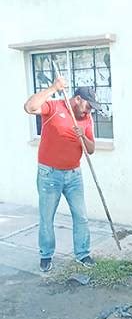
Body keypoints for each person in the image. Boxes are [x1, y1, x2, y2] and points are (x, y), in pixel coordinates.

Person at [24, 77, 101, 272]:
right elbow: (29, 107)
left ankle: (82, 254)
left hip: (74, 175)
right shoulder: (54, 107)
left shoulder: (86, 119)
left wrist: (82, 136)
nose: (89, 110)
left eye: (92, 107)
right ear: (77, 99)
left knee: (81, 216)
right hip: (49, 174)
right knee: (47, 216)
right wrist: (53, 88)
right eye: (87, 105)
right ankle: (46, 255)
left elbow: (90, 150)